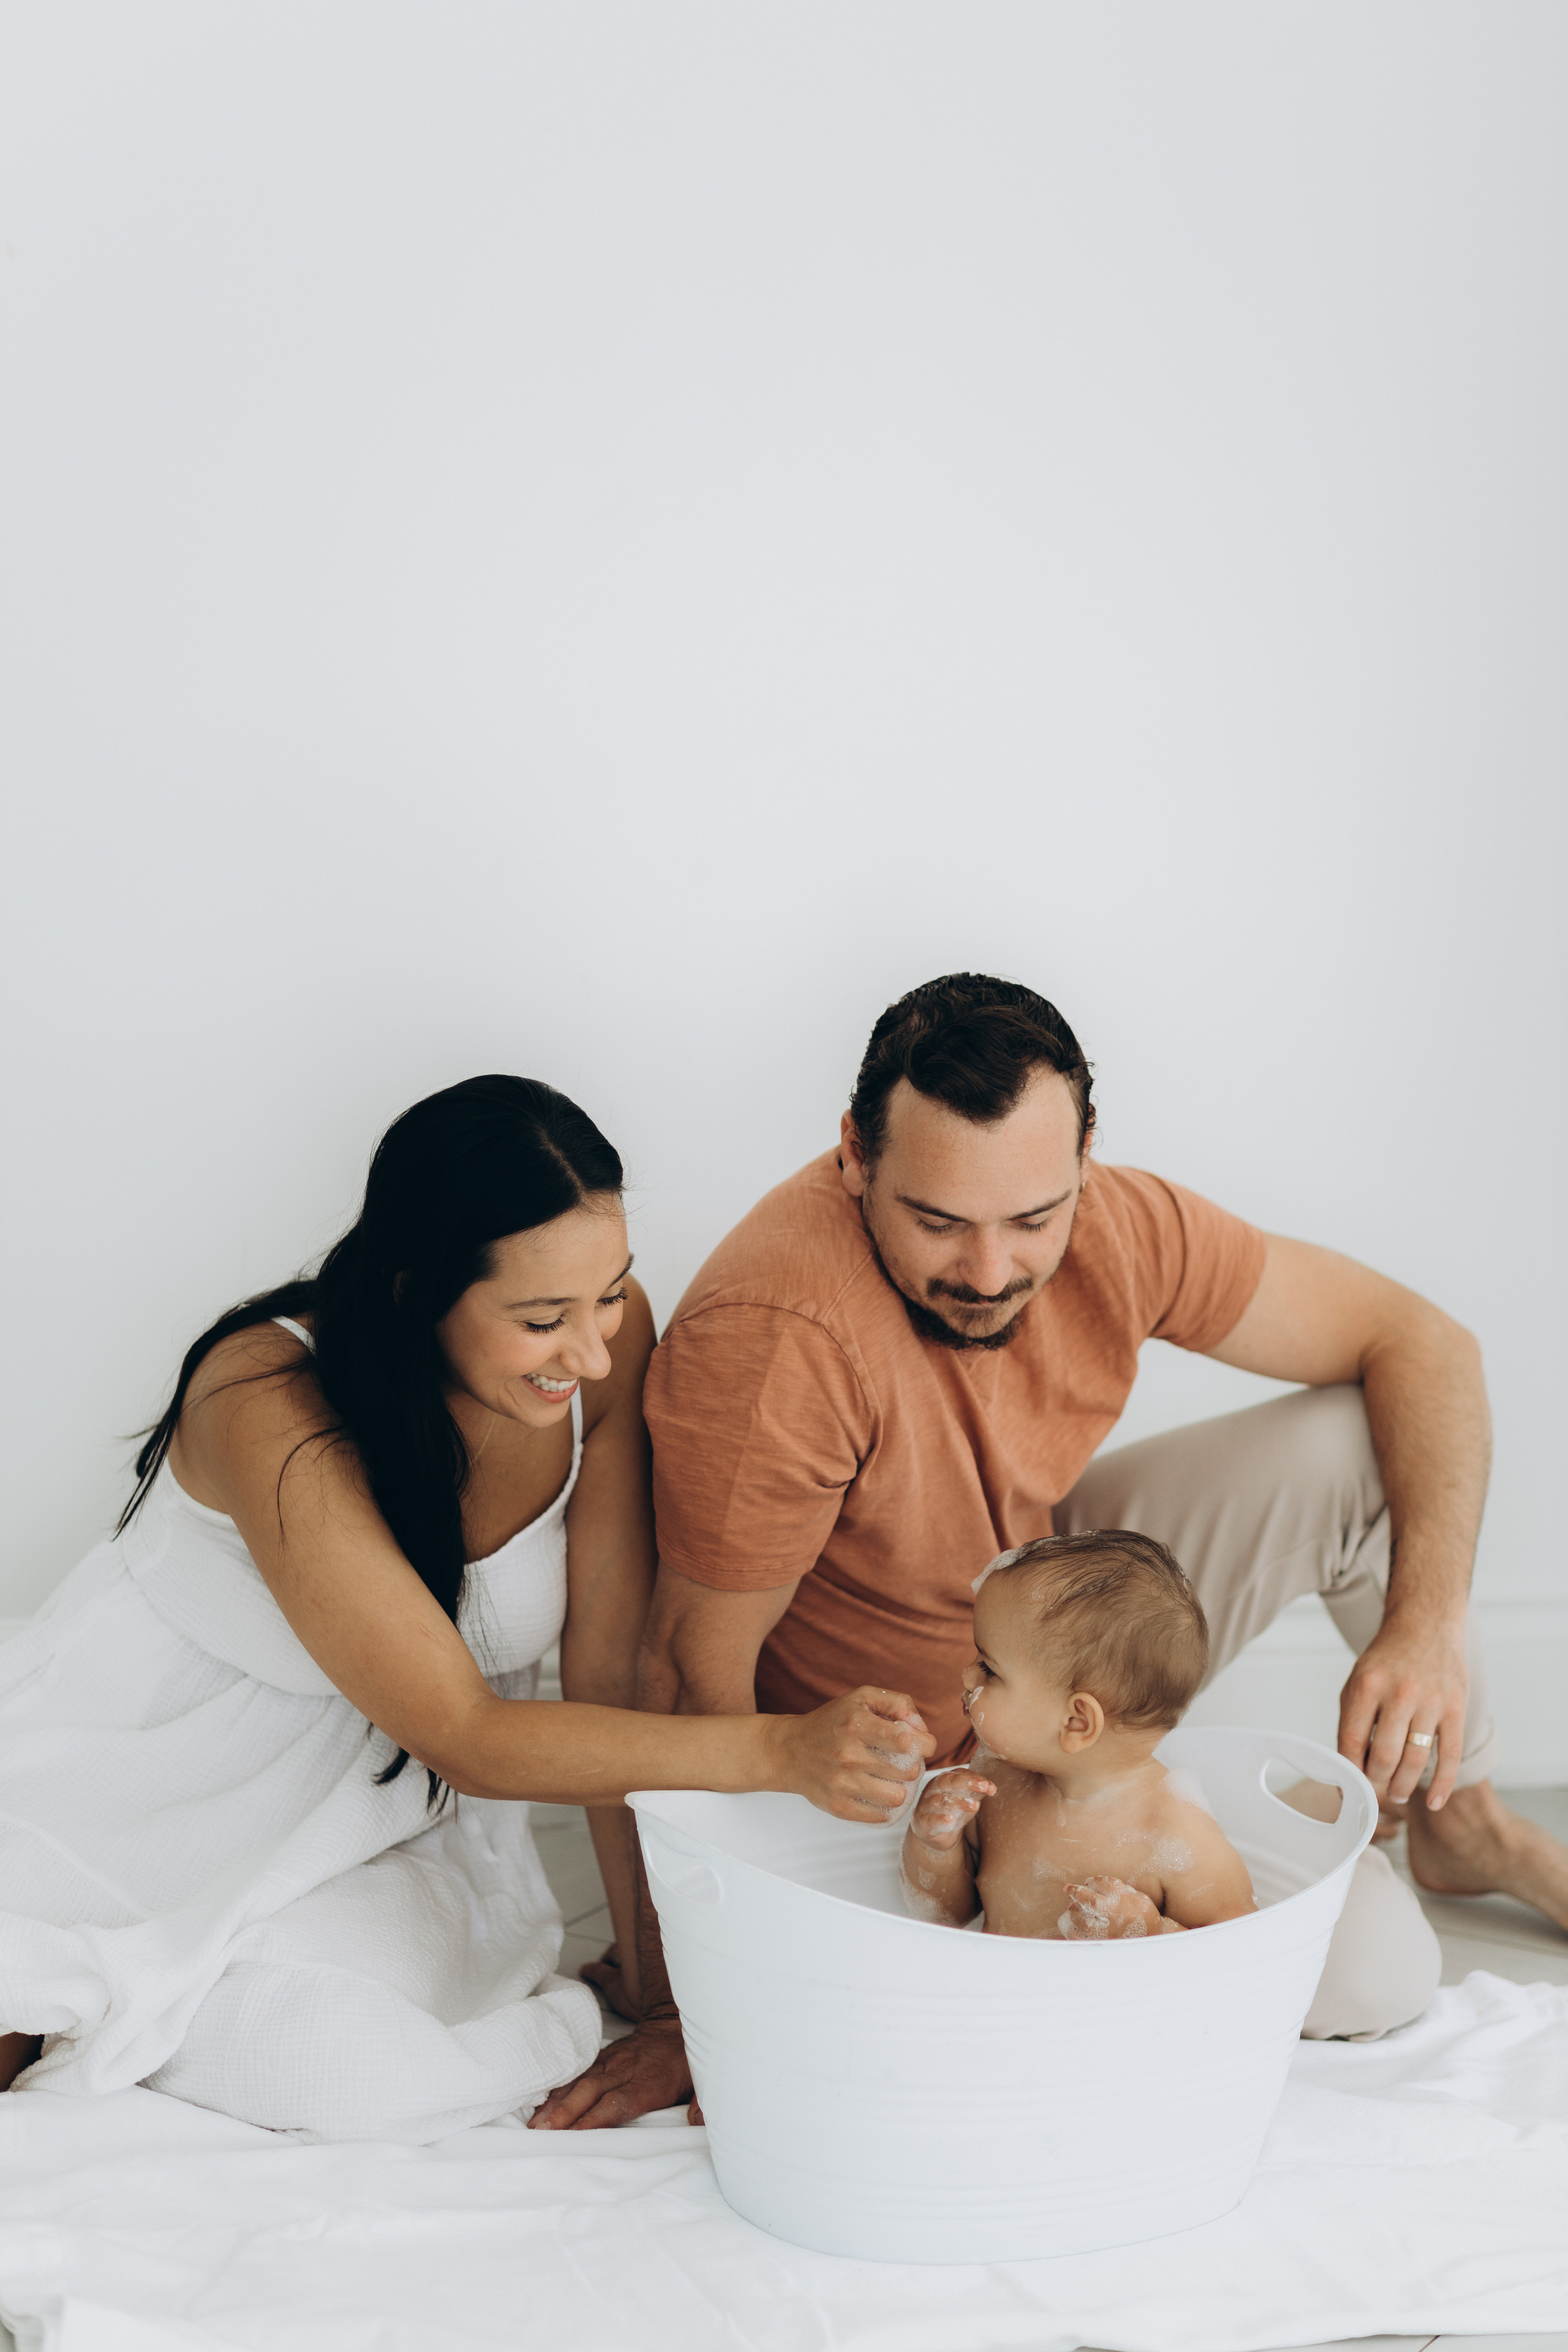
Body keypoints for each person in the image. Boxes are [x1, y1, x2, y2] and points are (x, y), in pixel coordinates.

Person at [537, 972, 1568, 2127]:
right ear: (854, 1159)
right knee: (1374, 1975)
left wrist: (1424, 1630)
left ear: (1085, 1161)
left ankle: (1461, 1819)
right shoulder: (780, 1340)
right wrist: (697, 2009)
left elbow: (1422, 1341)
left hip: (1043, 1608)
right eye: (938, 1222)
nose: (990, 1272)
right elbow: (682, 1675)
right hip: (892, 1756)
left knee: (1367, 1441)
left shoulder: (1120, 1224)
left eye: (1034, 1218)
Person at [0, 1075, 930, 2139]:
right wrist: (781, 1751)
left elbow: (611, 1679)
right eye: (543, 1319)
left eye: (613, 1293)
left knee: (337, 2067)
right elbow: (468, 1734)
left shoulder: (608, 1357)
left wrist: (672, 2000)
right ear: (414, 1290)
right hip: (132, 1789)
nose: (590, 1354)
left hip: (377, 1826)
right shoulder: (261, 1395)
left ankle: (86, 2021)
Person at [899, 1531, 1256, 1941]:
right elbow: (950, 1916)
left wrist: (1148, 1931)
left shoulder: (1178, 1835)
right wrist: (936, 1846)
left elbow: (1239, 1950)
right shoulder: (998, 1787)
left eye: (990, 1669)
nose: (967, 1675)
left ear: (1077, 1723)